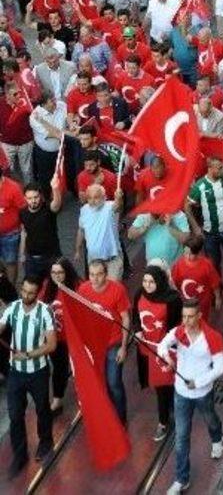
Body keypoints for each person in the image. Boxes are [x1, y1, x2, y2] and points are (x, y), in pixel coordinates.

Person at [159, 298, 223, 494]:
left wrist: (198, 382)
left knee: (210, 419)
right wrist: (167, 358)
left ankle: (217, 438)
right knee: (181, 437)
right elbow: (162, 345)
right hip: (181, 392)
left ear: (199, 316)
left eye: (190, 317)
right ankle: (182, 479)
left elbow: (220, 367)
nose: (186, 322)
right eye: (183, 317)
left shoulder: (212, 337)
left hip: (203, 392)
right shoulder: (178, 332)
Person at [0, 275, 57, 477]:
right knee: (15, 415)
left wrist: (28, 354)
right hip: (16, 372)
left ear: (38, 291)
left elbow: (51, 344)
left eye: (31, 293)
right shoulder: (12, 308)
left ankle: (46, 440)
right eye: (24, 291)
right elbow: (2, 326)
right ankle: (20, 455)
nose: (26, 295)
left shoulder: (45, 312)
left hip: (38, 372)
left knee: (42, 409)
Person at [133, 264, 183, 441]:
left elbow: (177, 326)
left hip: (164, 350)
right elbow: (135, 316)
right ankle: (169, 408)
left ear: (160, 282)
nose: (147, 285)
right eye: (145, 281)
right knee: (159, 386)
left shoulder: (172, 299)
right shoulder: (140, 293)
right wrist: (138, 330)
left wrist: (168, 346)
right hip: (146, 349)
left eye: (151, 282)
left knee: (163, 385)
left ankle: (163, 422)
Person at [77, 258, 130, 424]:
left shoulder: (117, 290)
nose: (95, 279)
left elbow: (125, 318)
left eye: (99, 274)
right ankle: (110, 415)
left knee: (114, 382)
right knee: (103, 383)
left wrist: (123, 347)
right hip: (95, 346)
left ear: (106, 275)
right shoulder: (83, 289)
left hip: (114, 344)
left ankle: (121, 418)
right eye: (92, 275)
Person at [186, 156, 223, 282]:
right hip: (210, 234)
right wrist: (195, 227)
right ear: (210, 169)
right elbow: (187, 205)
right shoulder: (200, 186)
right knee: (213, 264)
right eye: (220, 168)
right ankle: (218, 286)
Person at [39, 256, 80, 417]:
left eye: (60, 272)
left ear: (67, 273)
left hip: (76, 337)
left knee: (80, 367)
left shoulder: (77, 286)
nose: (56, 276)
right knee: (59, 368)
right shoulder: (46, 286)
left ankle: (86, 398)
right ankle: (57, 399)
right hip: (56, 338)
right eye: (53, 272)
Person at [75, 183, 125, 279]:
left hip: (112, 260)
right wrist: (77, 249)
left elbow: (118, 206)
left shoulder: (110, 207)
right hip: (94, 261)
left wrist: (118, 198)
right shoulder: (84, 210)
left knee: (111, 290)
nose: (92, 201)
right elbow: (81, 230)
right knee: (97, 290)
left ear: (104, 197)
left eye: (96, 197)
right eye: (89, 198)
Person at [19, 180, 62, 283]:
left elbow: (56, 205)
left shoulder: (48, 209)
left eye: (36, 197)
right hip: (31, 258)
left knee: (53, 287)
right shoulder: (23, 213)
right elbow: (24, 233)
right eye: (29, 198)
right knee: (32, 287)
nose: (33, 201)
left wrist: (55, 189)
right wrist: (22, 254)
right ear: (25, 198)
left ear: (41, 196)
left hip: (51, 257)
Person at [171, 237, 222, 319]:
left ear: (198, 253)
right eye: (185, 253)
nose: (187, 256)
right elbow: (174, 284)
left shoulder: (207, 265)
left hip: (202, 304)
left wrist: (218, 298)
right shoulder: (179, 264)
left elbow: (215, 283)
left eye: (191, 254)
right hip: (185, 303)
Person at [0, 164, 27, 284]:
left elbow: (24, 209)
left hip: (10, 234)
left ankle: (10, 289)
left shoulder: (14, 188)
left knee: (11, 261)